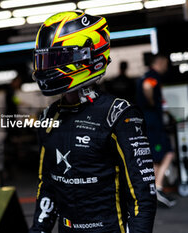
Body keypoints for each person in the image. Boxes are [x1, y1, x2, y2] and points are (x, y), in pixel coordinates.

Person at [29, 11, 157, 233]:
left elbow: (143, 197)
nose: (47, 68)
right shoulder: (49, 117)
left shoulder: (119, 114)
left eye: (56, 59)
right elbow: (47, 185)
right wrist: (38, 229)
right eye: (44, 60)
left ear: (87, 58)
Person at [136, 54, 176, 208]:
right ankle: (157, 188)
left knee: (155, 158)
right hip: (153, 124)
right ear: (159, 63)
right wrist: (152, 102)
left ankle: (154, 190)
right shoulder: (152, 76)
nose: (167, 66)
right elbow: (147, 86)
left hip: (149, 123)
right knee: (168, 152)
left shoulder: (147, 75)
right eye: (165, 63)